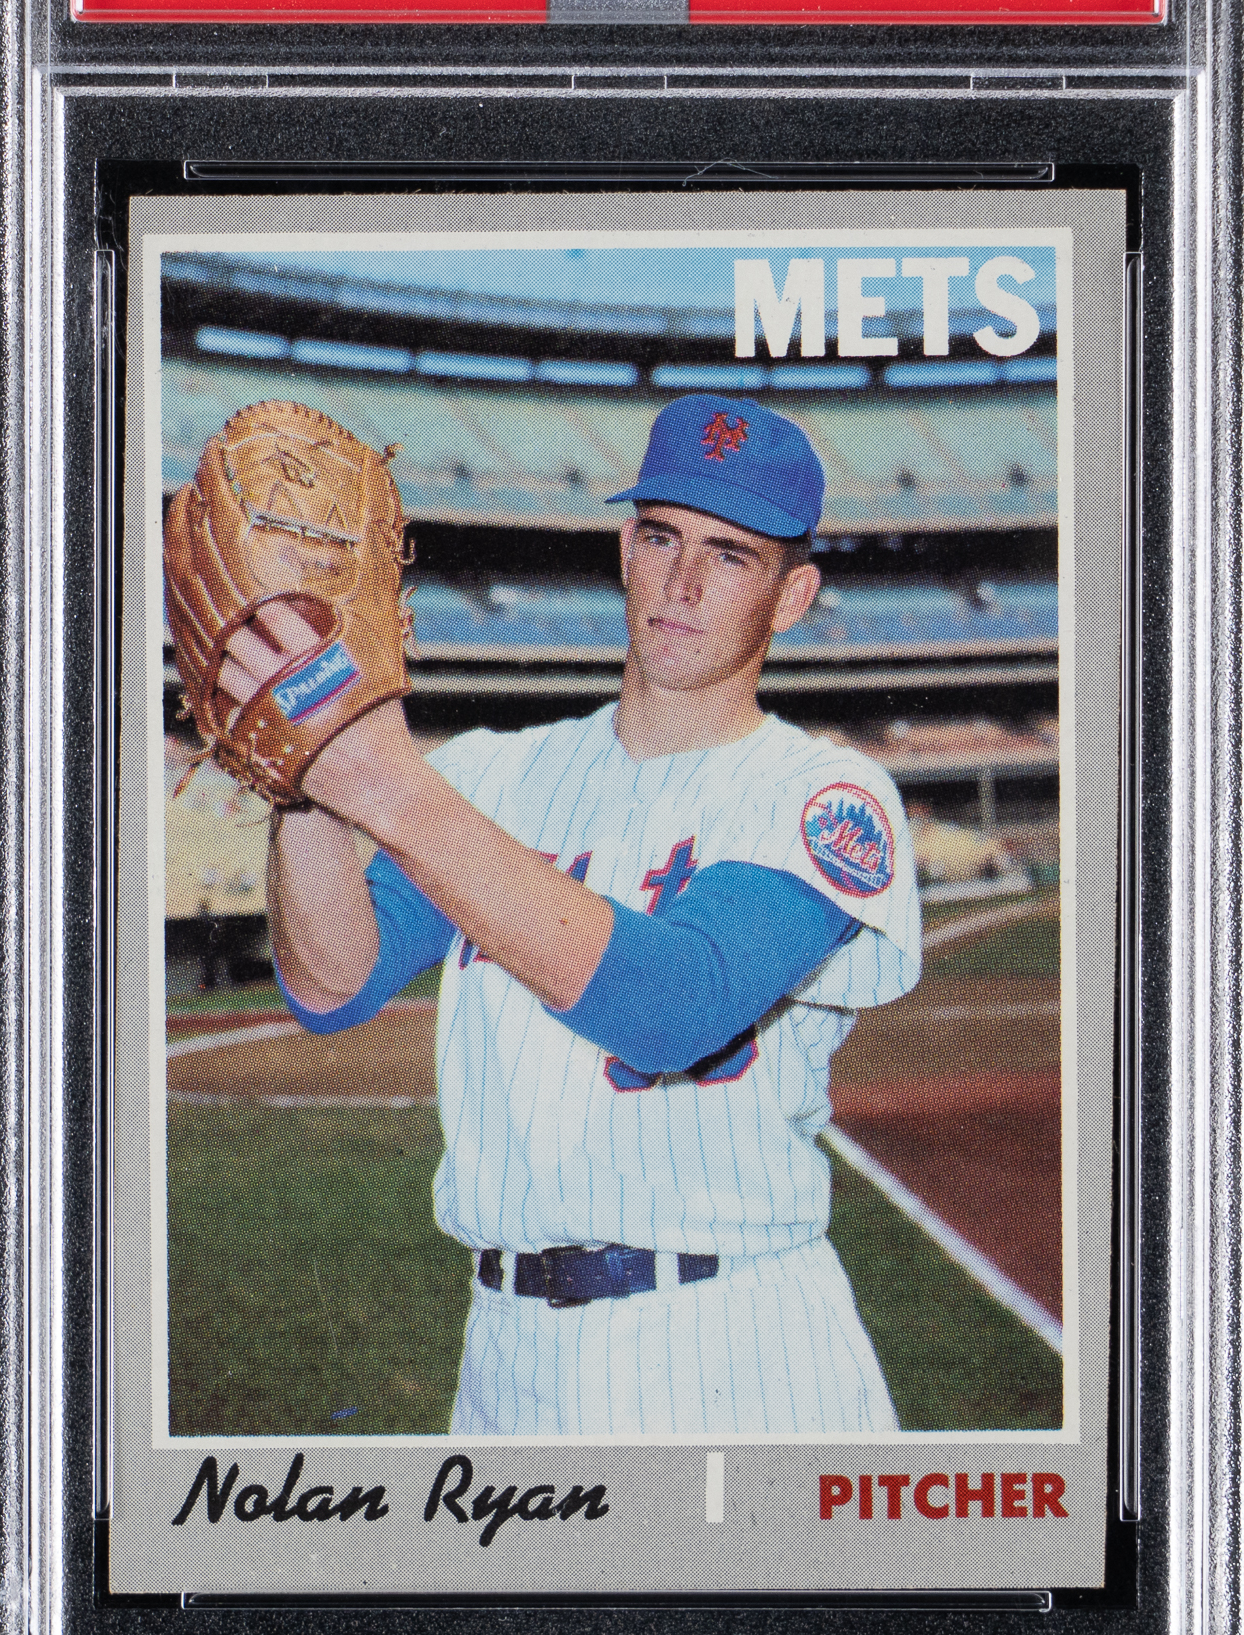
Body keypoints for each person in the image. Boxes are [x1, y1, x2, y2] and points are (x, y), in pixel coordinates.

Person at [217, 394, 922, 1436]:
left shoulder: (825, 793)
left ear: (792, 596)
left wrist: (387, 782)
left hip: (733, 1342)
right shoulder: (493, 775)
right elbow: (332, 984)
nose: (682, 582)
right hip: (506, 1354)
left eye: (730, 555)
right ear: (624, 550)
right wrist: (305, 777)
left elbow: (675, 1007)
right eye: (661, 537)